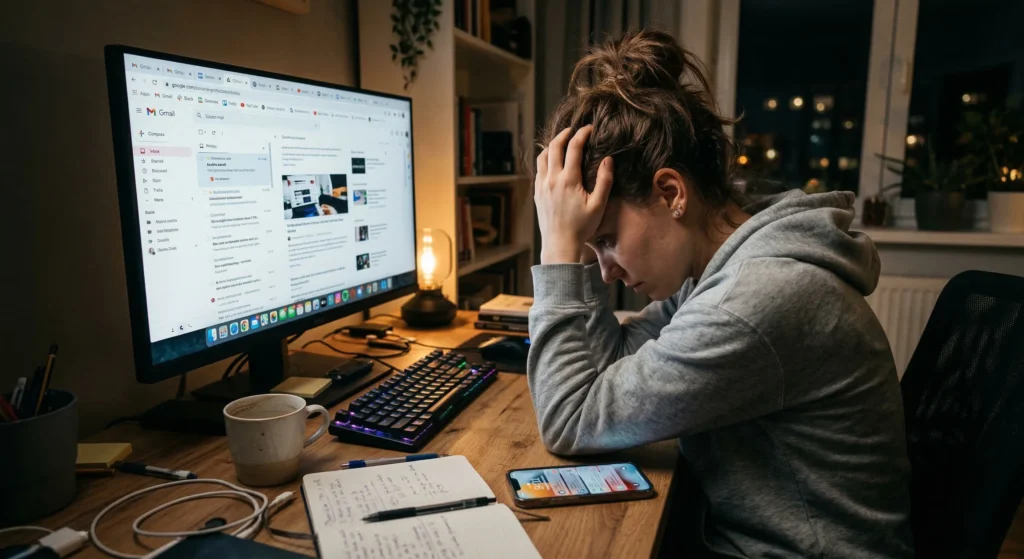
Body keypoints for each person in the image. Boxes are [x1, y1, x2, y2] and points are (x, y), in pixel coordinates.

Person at [529, 30, 913, 557]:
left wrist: (558, 249)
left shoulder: (751, 301)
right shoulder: (721, 267)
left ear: (671, 193)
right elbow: (614, 365)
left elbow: (570, 419)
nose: (607, 272)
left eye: (608, 240)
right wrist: (576, 246)